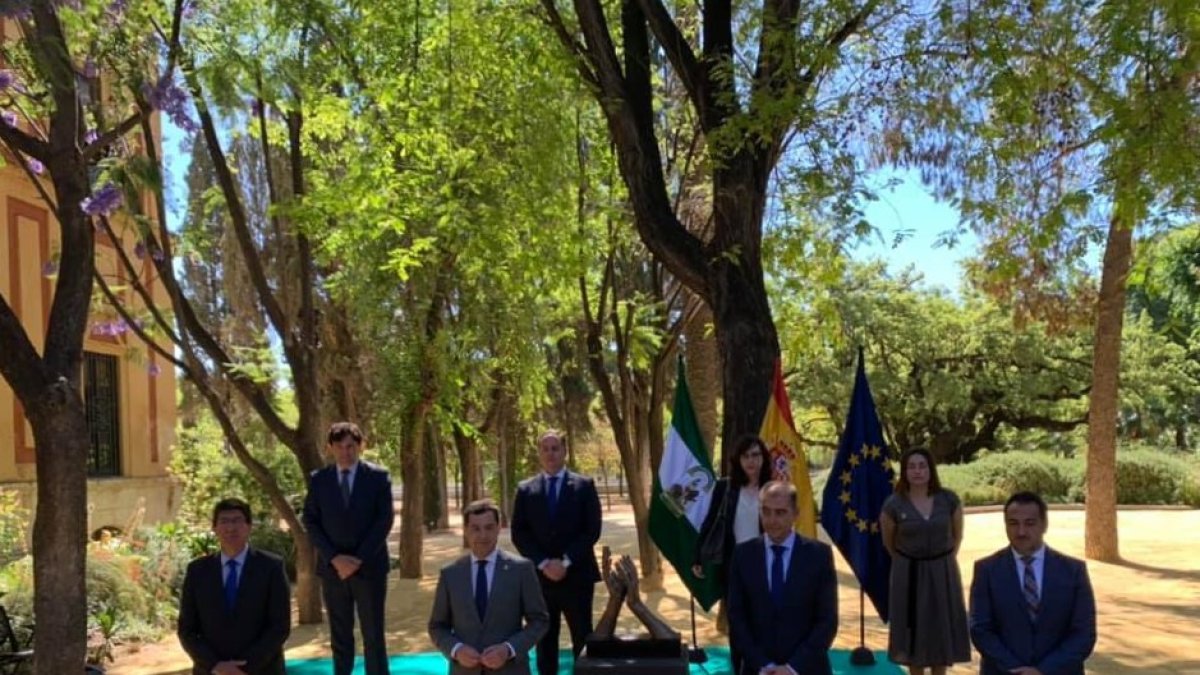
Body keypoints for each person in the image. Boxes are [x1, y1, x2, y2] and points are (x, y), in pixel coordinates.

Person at [302, 422, 395, 675]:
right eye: (340, 447)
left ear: (360, 446)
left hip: (370, 567)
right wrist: (334, 558)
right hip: (333, 571)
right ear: (330, 448)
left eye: (351, 446)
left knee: (373, 633)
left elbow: (383, 520)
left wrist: (356, 560)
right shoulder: (319, 480)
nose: (346, 452)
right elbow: (310, 520)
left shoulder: (378, 478)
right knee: (340, 634)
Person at [969, 491, 1096, 675]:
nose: (1021, 532)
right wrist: (1017, 671)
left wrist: (1043, 671)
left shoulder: (1073, 571)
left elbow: (1084, 634)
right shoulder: (986, 570)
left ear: (1044, 524)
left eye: (1029, 523)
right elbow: (980, 630)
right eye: (1014, 523)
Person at [510, 430, 602, 675]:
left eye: (555, 448)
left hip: (577, 577)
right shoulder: (525, 490)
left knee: (582, 637)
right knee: (544, 641)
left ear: (564, 452)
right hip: (540, 580)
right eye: (545, 449)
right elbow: (519, 533)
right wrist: (543, 563)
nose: (550, 453)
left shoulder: (584, 486)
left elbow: (591, 530)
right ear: (539, 453)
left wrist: (566, 562)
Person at [726, 481, 837, 675]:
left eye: (780, 512)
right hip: (758, 669)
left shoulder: (819, 555)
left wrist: (792, 668)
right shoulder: (743, 555)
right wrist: (764, 665)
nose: (771, 520)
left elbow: (827, 620)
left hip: (807, 669)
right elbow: (737, 617)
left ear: (796, 514)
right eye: (766, 511)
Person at [429, 499, 549, 675]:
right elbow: (437, 626)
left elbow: (539, 620)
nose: (483, 535)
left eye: (489, 527)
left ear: (499, 528)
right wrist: (456, 649)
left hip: (510, 670)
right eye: (475, 528)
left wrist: (508, 649)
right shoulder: (450, 574)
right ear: (466, 530)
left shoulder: (521, 569)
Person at [879, 448, 971, 675]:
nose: (917, 471)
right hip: (908, 574)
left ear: (931, 469)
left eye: (922, 466)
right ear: (904, 472)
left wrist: (939, 562)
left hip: (942, 571)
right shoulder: (893, 504)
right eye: (912, 466)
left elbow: (956, 536)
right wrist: (910, 561)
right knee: (913, 632)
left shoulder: (949, 500)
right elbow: (889, 543)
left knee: (940, 630)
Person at [178, 498, 291, 675]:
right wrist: (215, 665)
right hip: (212, 670)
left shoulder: (271, 567)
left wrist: (243, 668)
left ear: (249, 526)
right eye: (224, 521)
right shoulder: (197, 571)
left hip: (262, 670)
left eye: (237, 520)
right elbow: (187, 630)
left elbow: (279, 626)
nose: (230, 528)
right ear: (214, 528)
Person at [690, 434, 771, 674]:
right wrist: (697, 556)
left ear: (764, 458)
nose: (751, 461)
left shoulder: (773, 488)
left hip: (767, 565)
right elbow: (710, 521)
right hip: (734, 566)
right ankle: (739, 668)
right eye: (746, 456)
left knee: (764, 623)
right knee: (738, 625)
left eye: (756, 455)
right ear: (738, 460)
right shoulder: (726, 487)